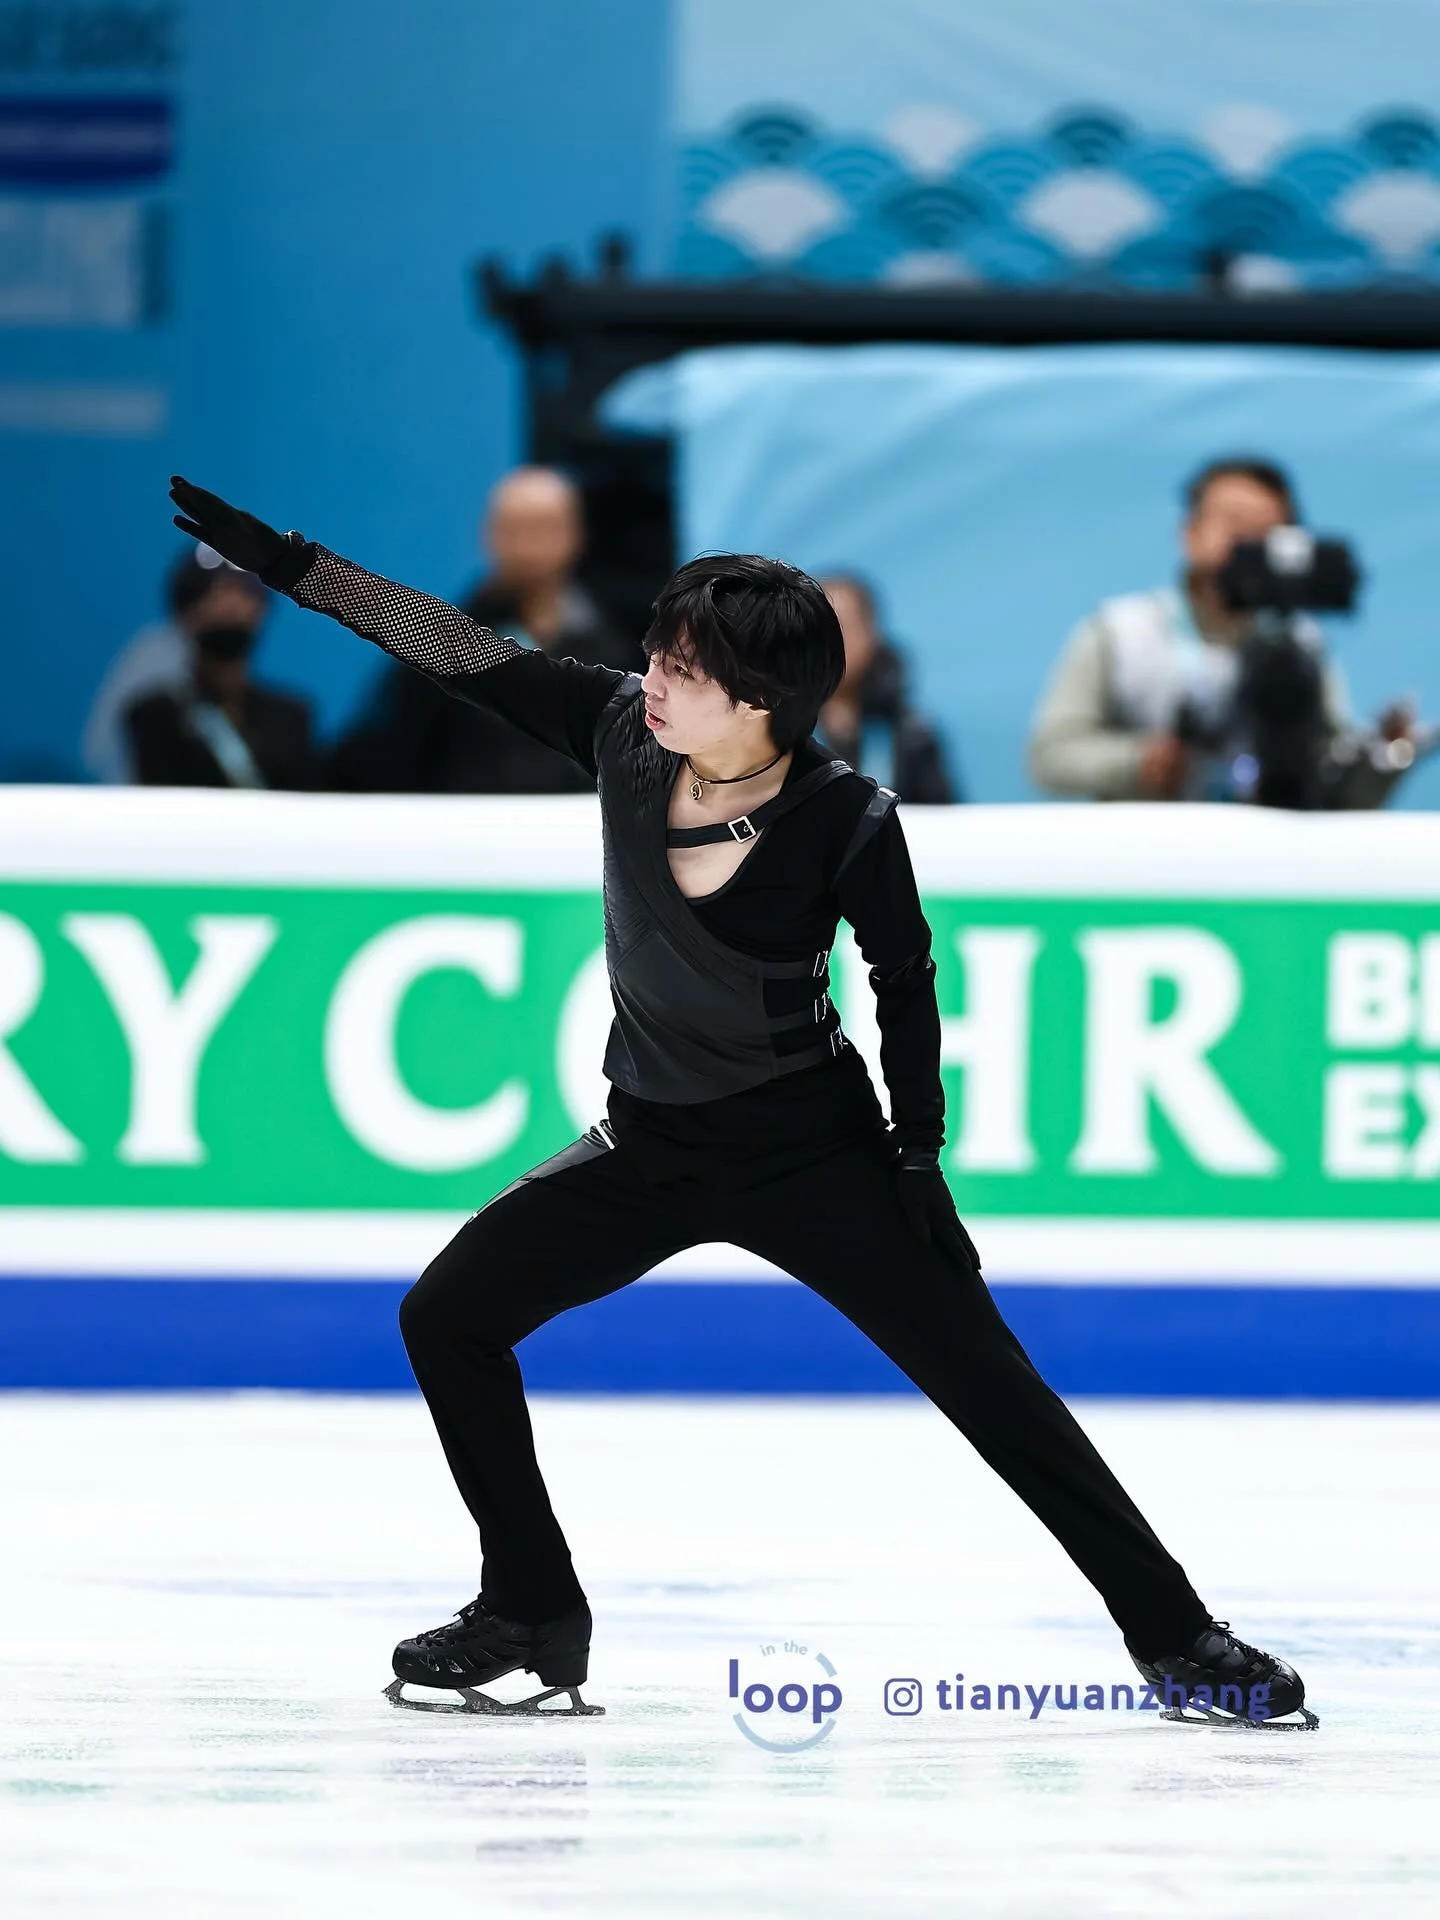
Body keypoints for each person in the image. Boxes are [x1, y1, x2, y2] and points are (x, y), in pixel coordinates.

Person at [168, 473, 1317, 1731]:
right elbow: (453, 647)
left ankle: (1181, 1641)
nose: (649, 678)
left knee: (1002, 1398)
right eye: (654, 653)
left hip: (815, 1157)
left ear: (760, 701)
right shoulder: (614, 731)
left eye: (681, 668)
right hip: (651, 1144)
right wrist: (292, 566)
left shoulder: (845, 819)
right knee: (447, 1317)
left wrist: (917, 1153)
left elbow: (904, 976)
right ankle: (533, 1610)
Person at [1028, 456, 1422, 806]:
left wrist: (1382, 757)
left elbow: (1333, 773)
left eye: (1264, 528)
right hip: (1146, 855)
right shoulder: (1120, 632)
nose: (1246, 540)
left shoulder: (1300, 644)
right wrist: (1139, 762)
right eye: (1233, 523)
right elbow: (1051, 756)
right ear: (1190, 532)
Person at [331, 466, 638, 794]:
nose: (527, 547)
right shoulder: (441, 639)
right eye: (513, 529)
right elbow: (392, 747)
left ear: (575, 535)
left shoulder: (614, 649)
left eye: (543, 528)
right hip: (468, 826)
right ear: (489, 535)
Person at [122, 551, 319, 790]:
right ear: (184, 610)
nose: (232, 605)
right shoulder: (155, 715)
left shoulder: (291, 717)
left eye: (246, 591)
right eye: (217, 591)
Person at [816, 574, 959, 803]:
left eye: (845, 627)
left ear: (872, 634)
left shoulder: (911, 735)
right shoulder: (770, 729)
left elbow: (941, 822)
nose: (834, 641)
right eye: (820, 629)